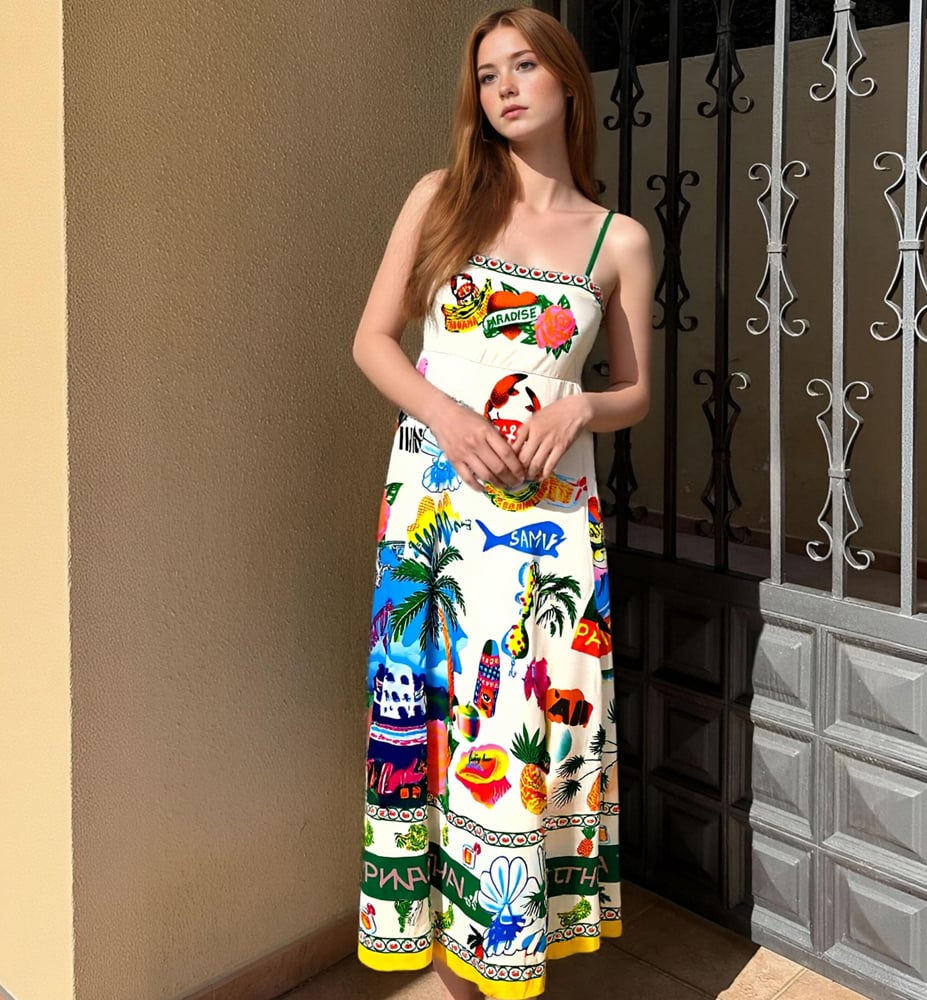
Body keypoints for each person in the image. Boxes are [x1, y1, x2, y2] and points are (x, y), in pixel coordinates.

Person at [353, 7, 652, 998]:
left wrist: (581, 407)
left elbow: (635, 391)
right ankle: (446, 968)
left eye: (525, 66)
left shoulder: (618, 240)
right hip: (434, 515)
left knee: (521, 735)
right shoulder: (439, 198)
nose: (506, 88)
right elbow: (373, 341)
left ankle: (497, 959)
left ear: (567, 80)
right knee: (433, 723)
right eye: (488, 75)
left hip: (545, 528)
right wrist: (445, 415)